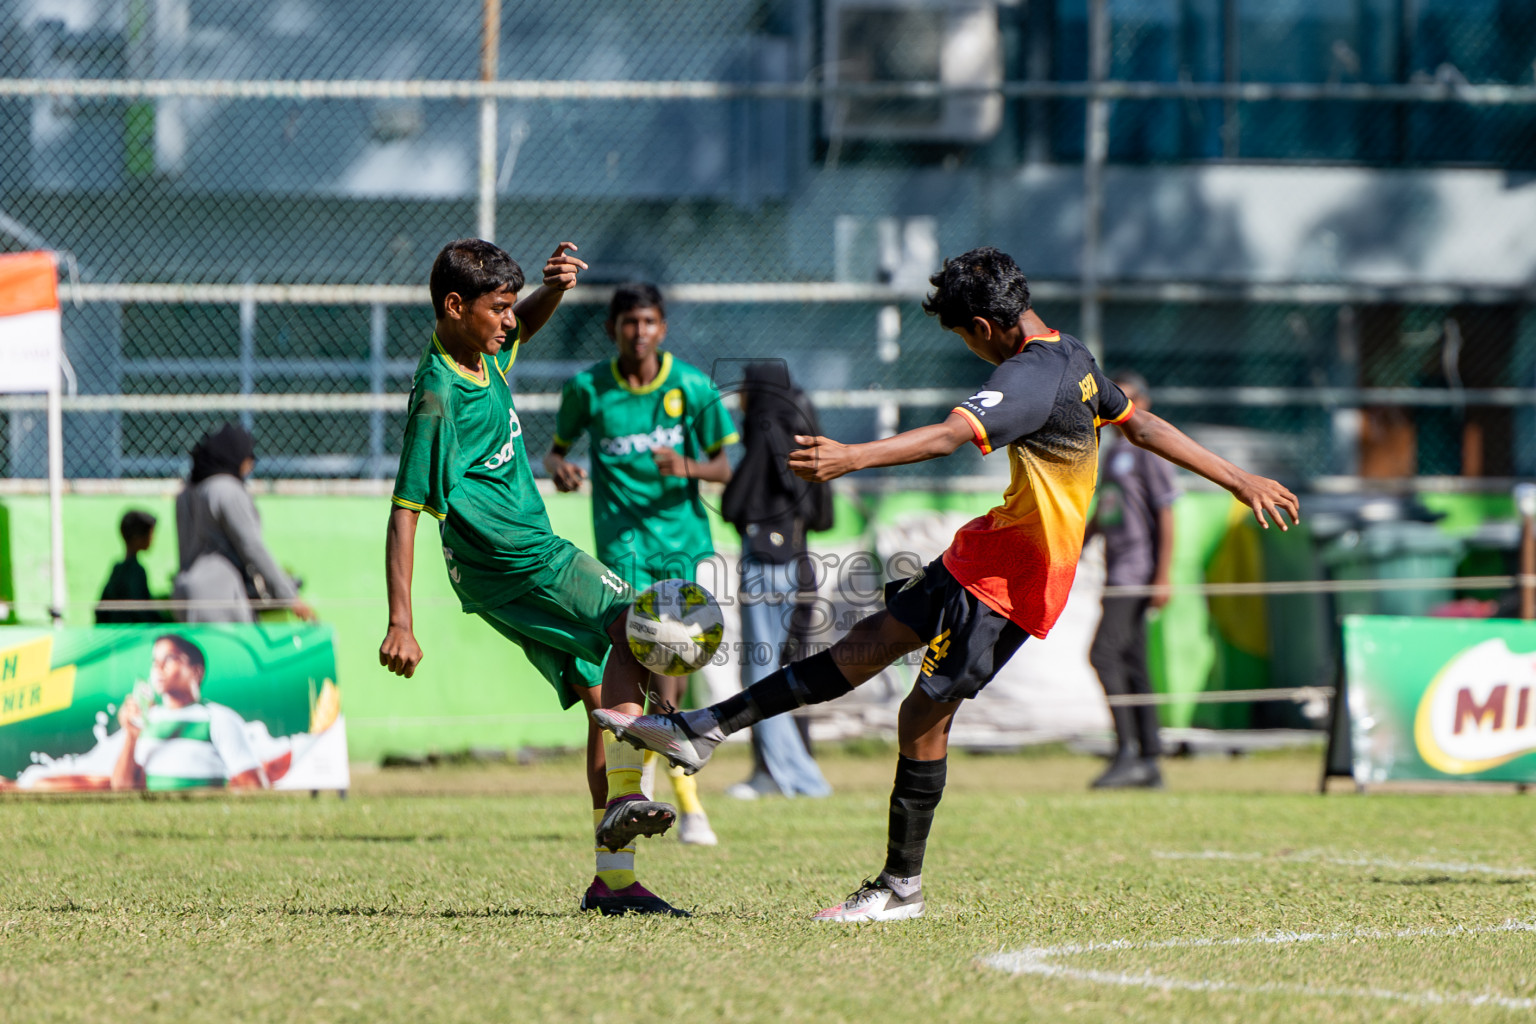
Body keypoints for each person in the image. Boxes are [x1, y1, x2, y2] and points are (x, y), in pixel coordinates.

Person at [595, 246, 1299, 922]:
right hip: (981, 555)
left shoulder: (1026, 376)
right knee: (861, 648)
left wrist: (851, 457)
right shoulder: (1072, 355)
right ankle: (701, 729)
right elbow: (1138, 423)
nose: (969, 349)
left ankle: (901, 887)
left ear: (986, 328)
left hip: (1012, 584)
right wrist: (1238, 478)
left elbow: (946, 436)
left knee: (921, 716)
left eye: (964, 337)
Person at [378, 238, 687, 917]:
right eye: (499, 309)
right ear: (455, 307)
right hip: (522, 557)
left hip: (495, 574)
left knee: (592, 693)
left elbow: (528, 325)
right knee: (646, 622)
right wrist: (401, 620)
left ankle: (613, 882)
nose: (510, 321)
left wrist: (553, 291)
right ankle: (634, 787)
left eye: (513, 307)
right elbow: (404, 511)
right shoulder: (438, 395)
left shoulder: (482, 354)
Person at [545, 283, 738, 845]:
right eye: (629, 322)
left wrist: (686, 466)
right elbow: (556, 449)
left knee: (670, 671)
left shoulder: (691, 386)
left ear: (663, 328)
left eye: (649, 321)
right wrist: (558, 466)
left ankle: (680, 792)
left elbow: (725, 468)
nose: (640, 332)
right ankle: (665, 796)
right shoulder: (587, 389)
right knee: (634, 660)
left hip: (679, 545)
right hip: (619, 549)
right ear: (613, 329)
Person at [719, 362, 833, 800]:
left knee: (761, 673)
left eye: (745, 391)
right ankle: (783, 773)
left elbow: (733, 504)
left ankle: (793, 775)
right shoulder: (801, 445)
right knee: (783, 673)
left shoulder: (765, 445)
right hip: (799, 562)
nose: (740, 401)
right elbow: (823, 515)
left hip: (767, 564)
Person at [1088, 371, 1178, 789]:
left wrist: (1162, 576)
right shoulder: (1114, 450)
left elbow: (1166, 513)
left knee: (1103, 655)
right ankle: (1149, 758)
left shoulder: (1148, 449)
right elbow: (1106, 510)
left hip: (1136, 573)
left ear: (1142, 401)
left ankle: (1127, 751)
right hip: (1115, 569)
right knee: (1132, 661)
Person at [172, 423, 315, 624]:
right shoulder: (227, 490)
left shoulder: (186, 493)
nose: (250, 465)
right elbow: (251, 547)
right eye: (248, 457)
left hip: (184, 594)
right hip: (220, 597)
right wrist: (289, 595)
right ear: (234, 454)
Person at [111, 634, 266, 791]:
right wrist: (131, 737)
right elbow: (122, 790)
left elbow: (254, 787)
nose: (159, 668)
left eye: (170, 659)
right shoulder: (144, 720)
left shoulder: (218, 718)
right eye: (154, 661)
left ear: (196, 671)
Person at [95, 509, 165, 624]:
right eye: (150, 534)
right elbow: (143, 612)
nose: (152, 539)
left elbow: (101, 610)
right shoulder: (136, 571)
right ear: (137, 537)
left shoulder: (117, 569)